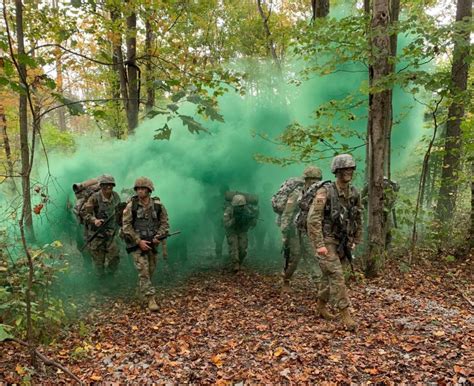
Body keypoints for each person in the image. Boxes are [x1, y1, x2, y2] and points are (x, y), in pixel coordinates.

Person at [307, 154, 363, 331]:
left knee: (329, 276)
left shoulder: (354, 192)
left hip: (343, 241)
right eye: (344, 169)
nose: (348, 172)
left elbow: (358, 216)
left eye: (350, 169)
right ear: (336, 171)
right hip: (326, 239)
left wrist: (355, 239)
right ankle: (345, 314)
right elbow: (313, 220)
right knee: (337, 275)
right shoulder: (325, 192)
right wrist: (319, 245)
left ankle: (321, 306)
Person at [122, 177, 169, 312]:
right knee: (143, 270)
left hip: (152, 243)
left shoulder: (158, 205)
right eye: (138, 189)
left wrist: (158, 236)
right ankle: (151, 298)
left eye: (143, 189)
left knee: (150, 270)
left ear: (149, 190)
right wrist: (138, 241)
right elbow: (126, 226)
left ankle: (140, 290)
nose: (140, 191)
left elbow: (164, 223)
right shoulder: (132, 206)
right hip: (137, 244)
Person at [281, 166, 323, 293]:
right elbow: (287, 213)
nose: (314, 182)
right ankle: (286, 280)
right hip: (294, 230)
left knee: (312, 256)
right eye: (311, 179)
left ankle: (319, 287)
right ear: (305, 180)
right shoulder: (297, 194)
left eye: (316, 179)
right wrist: (284, 233)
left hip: (311, 230)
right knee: (295, 257)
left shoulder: (321, 194)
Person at [83, 174, 121, 276]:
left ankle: (109, 277)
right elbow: (85, 213)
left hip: (111, 234)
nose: (108, 187)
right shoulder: (94, 198)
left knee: (115, 258)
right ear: (101, 186)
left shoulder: (116, 197)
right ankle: (101, 283)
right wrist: (94, 220)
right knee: (98, 263)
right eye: (105, 185)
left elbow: (119, 213)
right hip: (97, 234)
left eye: (110, 185)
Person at [223, 193, 258, 272]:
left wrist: (251, 219)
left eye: (242, 206)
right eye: (239, 206)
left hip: (242, 231)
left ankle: (240, 262)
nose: (241, 208)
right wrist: (234, 219)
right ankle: (236, 264)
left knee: (243, 248)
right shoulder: (229, 210)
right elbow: (226, 224)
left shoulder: (246, 210)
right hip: (232, 231)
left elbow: (252, 223)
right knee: (234, 248)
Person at [361, 177, 399, 248]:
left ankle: (385, 253)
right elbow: (362, 201)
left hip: (385, 217)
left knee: (387, 236)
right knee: (375, 238)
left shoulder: (389, 189)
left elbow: (393, 199)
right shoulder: (369, 188)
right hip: (374, 218)